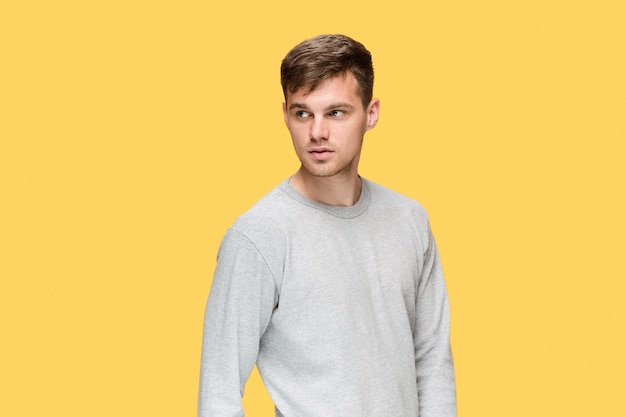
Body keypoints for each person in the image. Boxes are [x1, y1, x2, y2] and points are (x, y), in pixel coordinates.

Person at [199, 34, 457, 417]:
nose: (317, 132)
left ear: (371, 114)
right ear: (285, 113)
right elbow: (218, 395)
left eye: (336, 112)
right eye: (303, 113)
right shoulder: (258, 236)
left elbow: (433, 360)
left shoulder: (409, 220)